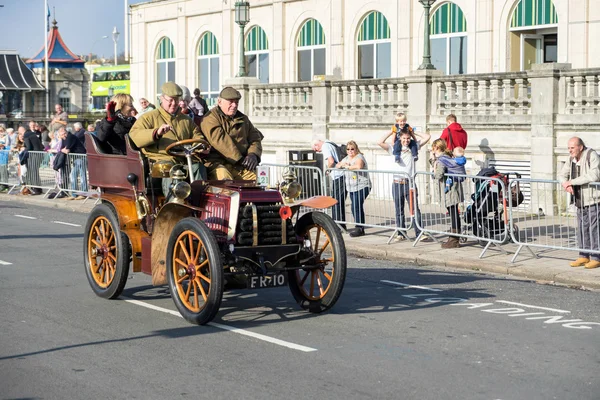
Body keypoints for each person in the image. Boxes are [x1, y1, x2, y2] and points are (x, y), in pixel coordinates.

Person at [129, 82, 208, 195]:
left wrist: (200, 145)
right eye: (170, 100)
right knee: (172, 170)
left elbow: (197, 135)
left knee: (198, 167)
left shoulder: (186, 120)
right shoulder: (149, 117)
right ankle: (172, 206)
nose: (174, 103)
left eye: (176, 100)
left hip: (184, 159)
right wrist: (156, 133)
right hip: (160, 161)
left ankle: (198, 202)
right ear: (162, 98)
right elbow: (135, 135)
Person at [378, 124, 431, 241]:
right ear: (400, 139)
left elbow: (427, 137)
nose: (406, 141)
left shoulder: (414, 147)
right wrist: (391, 131)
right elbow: (380, 142)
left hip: (410, 183)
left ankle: (420, 232)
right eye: (404, 138)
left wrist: (413, 133)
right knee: (399, 210)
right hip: (397, 183)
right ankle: (400, 233)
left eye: (408, 139)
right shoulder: (393, 148)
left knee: (414, 209)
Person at [200, 87, 264, 181]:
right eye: (230, 102)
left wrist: (253, 154)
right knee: (227, 183)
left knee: (258, 183)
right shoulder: (210, 118)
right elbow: (221, 143)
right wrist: (241, 160)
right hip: (217, 163)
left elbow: (255, 138)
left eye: (236, 102)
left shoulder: (243, 119)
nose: (234, 105)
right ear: (219, 102)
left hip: (239, 166)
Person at [559, 137, 600, 269]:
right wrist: (565, 185)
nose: (570, 150)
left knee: (594, 229)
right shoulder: (571, 159)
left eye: (572, 147)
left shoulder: (592, 155)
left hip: (593, 199)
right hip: (579, 200)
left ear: (580, 147)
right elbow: (561, 175)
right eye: (568, 148)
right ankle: (583, 255)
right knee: (582, 229)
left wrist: (572, 182)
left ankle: (596, 257)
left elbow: (594, 175)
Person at [431, 138, 464, 249]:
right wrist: (433, 160)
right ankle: (455, 237)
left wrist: (433, 171)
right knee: (454, 213)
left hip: (450, 191)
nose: (432, 150)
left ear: (436, 148)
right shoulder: (447, 157)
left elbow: (439, 175)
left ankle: (454, 240)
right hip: (454, 189)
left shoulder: (442, 160)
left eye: (433, 148)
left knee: (453, 213)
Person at [335, 140, 371, 237]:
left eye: (352, 149)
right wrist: (342, 165)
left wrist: (347, 167)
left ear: (356, 149)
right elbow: (338, 165)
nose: (350, 151)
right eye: (348, 149)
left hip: (362, 186)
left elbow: (359, 166)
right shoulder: (346, 158)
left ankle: (360, 228)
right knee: (354, 207)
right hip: (351, 187)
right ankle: (359, 227)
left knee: (356, 206)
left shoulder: (359, 157)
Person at [312, 138, 347, 230]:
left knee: (336, 200)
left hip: (338, 175)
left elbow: (331, 161)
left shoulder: (325, 147)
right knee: (339, 200)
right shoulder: (330, 143)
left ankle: (338, 225)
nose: (316, 151)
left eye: (315, 149)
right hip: (341, 175)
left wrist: (328, 170)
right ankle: (340, 224)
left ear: (317, 145)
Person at [61, 125, 88, 200]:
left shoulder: (70, 137)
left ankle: (83, 194)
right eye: (61, 135)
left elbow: (67, 150)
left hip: (81, 157)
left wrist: (63, 149)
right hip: (76, 158)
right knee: (73, 176)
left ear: (65, 133)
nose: (63, 137)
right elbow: (63, 148)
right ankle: (74, 194)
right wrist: (63, 149)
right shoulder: (65, 138)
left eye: (63, 135)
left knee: (82, 176)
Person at [23, 122, 44, 195]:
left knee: (33, 171)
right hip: (39, 154)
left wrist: (23, 150)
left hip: (34, 155)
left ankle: (36, 189)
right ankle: (38, 188)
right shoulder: (32, 134)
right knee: (35, 172)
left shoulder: (26, 135)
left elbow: (28, 147)